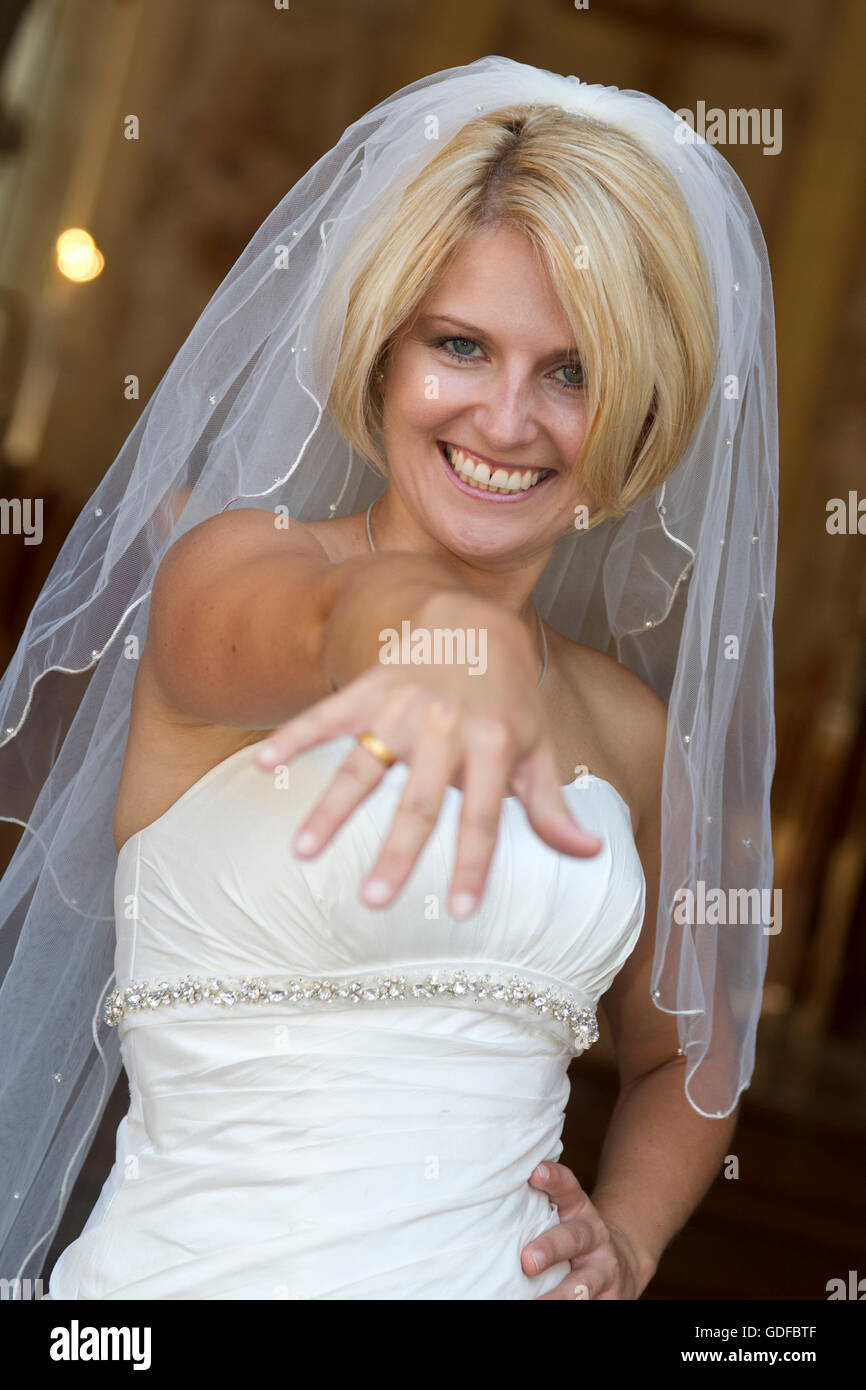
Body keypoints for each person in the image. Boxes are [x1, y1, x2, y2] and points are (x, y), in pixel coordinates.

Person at [0, 57, 777, 1300]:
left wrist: (627, 1232)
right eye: (458, 346)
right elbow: (335, 614)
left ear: (637, 409)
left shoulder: (629, 732)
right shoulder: (224, 577)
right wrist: (444, 644)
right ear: (380, 356)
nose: (506, 417)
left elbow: (687, 1052)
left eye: (570, 371)